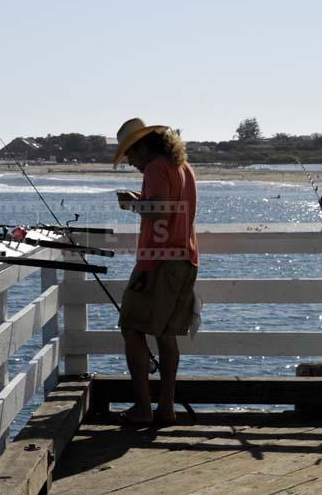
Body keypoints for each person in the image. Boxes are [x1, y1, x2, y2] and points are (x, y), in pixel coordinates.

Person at [113, 117, 199, 426]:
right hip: (185, 258)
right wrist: (143, 200)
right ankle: (166, 408)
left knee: (131, 327)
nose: (131, 164)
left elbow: (160, 210)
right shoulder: (183, 167)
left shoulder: (154, 168)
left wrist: (131, 206)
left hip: (157, 262)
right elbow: (171, 207)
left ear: (143, 147)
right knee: (165, 335)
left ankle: (142, 408)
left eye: (131, 156)